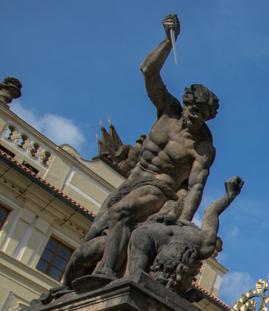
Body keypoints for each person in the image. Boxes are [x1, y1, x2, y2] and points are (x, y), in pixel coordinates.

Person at [58, 13, 218, 294]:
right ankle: (75, 285)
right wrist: (170, 41)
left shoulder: (202, 146)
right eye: (194, 111)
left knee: (121, 213)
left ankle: (107, 272)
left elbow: (195, 186)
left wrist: (184, 217)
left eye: (202, 117)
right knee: (96, 233)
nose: (195, 119)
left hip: (161, 187)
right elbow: (148, 71)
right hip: (133, 180)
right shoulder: (168, 111)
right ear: (186, 104)